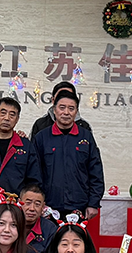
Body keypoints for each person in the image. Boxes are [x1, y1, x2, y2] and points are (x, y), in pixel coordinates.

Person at [34, 90, 104, 221]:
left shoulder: (86, 137)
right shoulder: (41, 137)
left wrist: (93, 203)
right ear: (54, 110)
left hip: (79, 206)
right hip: (48, 207)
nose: (66, 112)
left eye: (71, 108)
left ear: (76, 112)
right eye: (62, 107)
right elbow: (34, 174)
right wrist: (38, 202)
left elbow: (96, 172)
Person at [20, 183, 55, 253]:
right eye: (28, 203)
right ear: (19, 203)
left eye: (37, 204)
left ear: (43, 207)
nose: (32, 208)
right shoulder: (9, 224)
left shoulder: (50, 229)